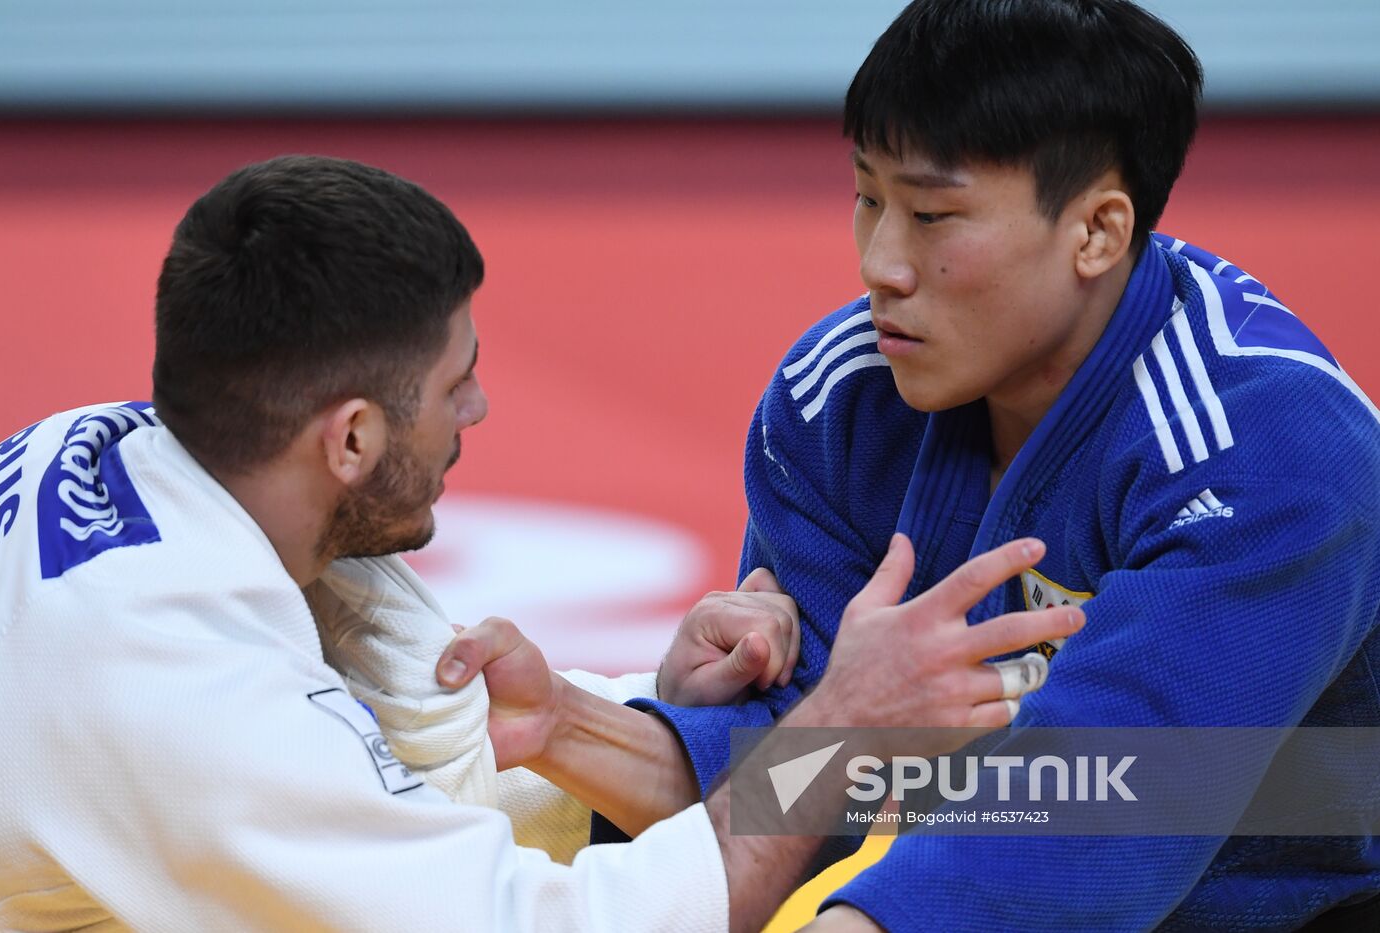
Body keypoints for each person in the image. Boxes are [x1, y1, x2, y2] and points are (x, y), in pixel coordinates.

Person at [0, 154, 1079, 931]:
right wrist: (837, 734)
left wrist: (616, 718)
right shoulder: (180, 690)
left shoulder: (102, 454)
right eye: (453, 386)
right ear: (351, 436)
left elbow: (375, 814)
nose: (482, 410)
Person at [574, 1, 1379, 929]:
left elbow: (1096, 806)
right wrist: (585, 730)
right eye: (867, 197)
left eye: (932, 214)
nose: (881, 264)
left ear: (1097, 232)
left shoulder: (1265, 456)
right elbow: (815, 775)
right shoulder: (840, 397)